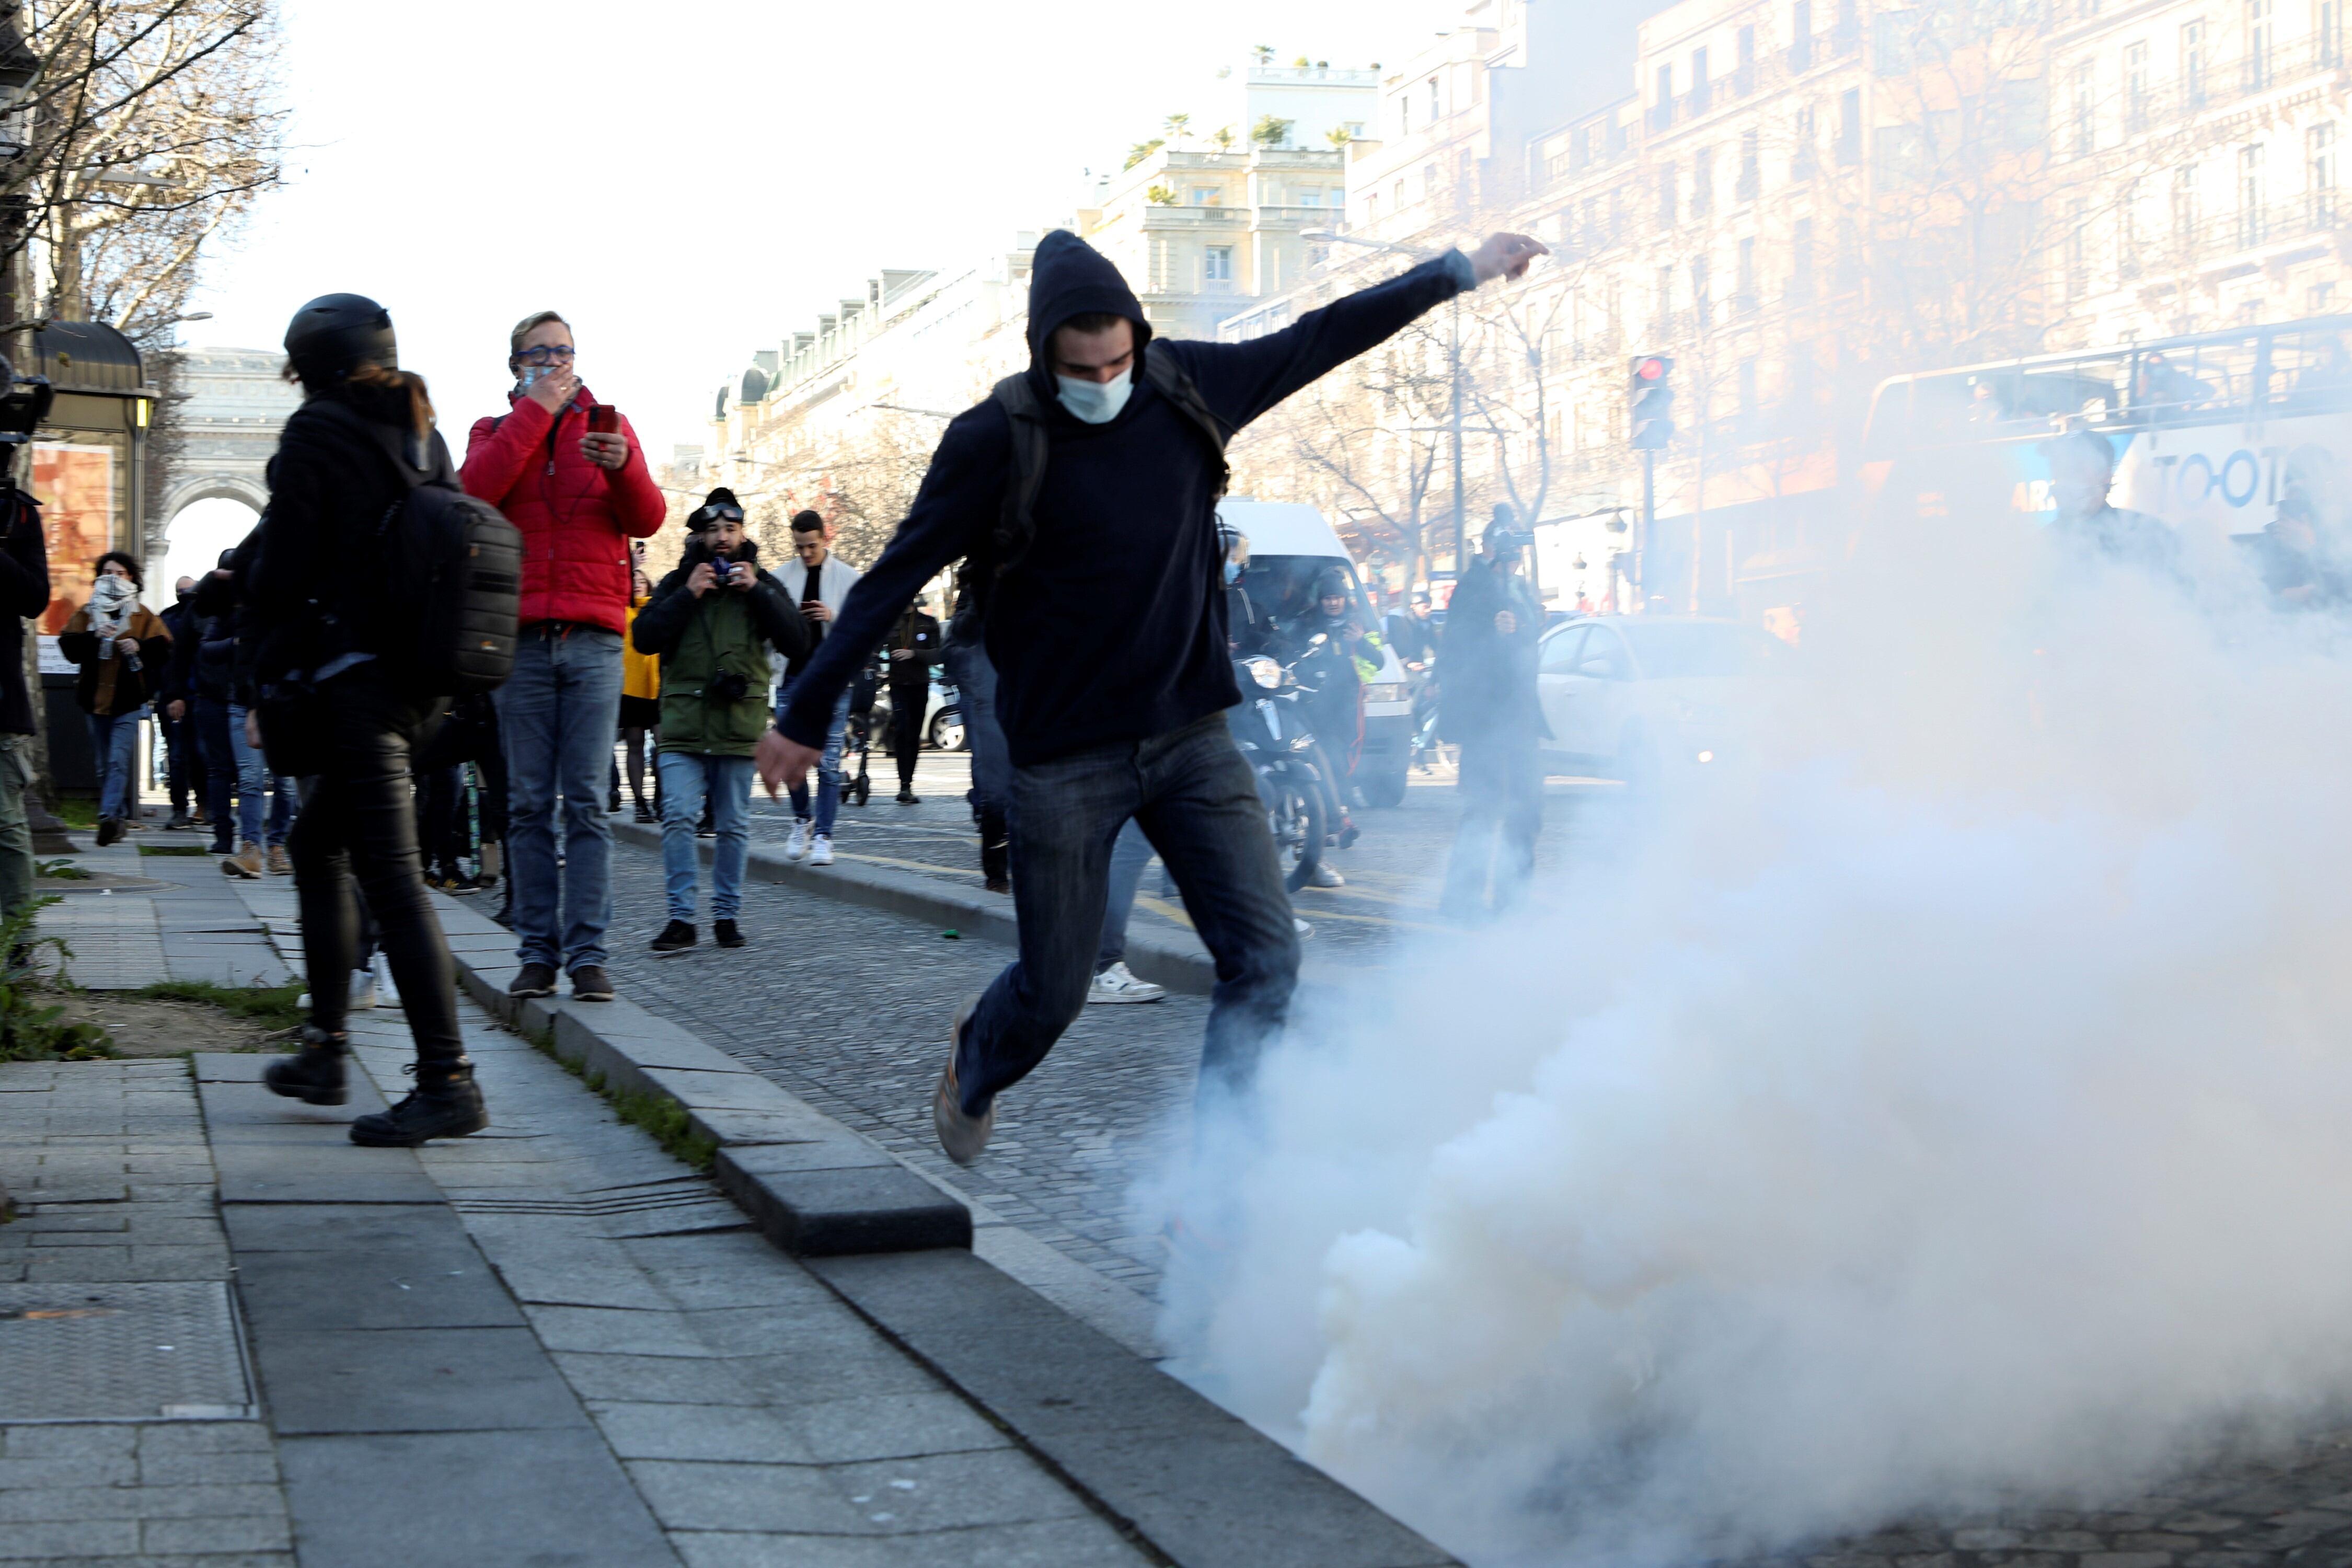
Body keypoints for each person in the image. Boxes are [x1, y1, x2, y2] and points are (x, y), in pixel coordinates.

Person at [759, 224, 1546, 1165]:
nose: (1103, 383)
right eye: (1080, 370)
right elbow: (891, 578)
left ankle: (1220, 1180)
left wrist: (1459, 272)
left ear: (1138, 338)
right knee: (1056, 992)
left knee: (1268, 959)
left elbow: (1326, 333)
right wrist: (805, 713)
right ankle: (979, 1057)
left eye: (1118, 361)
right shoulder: (992, 441)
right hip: (1065, 763)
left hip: (1193, 743)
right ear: (1044, 354)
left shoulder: (1187, 386)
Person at [249, 292, 486, 1145]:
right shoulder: (422, 431)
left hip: (359, 686)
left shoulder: (319, 431)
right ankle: (325, 1047)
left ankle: (447, 1081)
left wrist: (260, 649)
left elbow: (284, 572)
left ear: (310, 365)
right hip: (422, 686)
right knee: (319, 845)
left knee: (391, 877)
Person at [460, 309, 664, 1004]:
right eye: (537, 354)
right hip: (518, 641)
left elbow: (648, 518)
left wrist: (624, 466)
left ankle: (588, 955)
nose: (553, 362)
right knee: (523, 804)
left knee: (585, 802)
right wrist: (535, 417)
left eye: (563, 352)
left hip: (595, 638)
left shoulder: (608, 425)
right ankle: (537, 952)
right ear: (514, 365)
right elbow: (475, 495)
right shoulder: (494, 431)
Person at [632, 490, 809, 953]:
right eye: (713, 530)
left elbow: (799, 642)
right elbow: (644, 637)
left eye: (730, 529)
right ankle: (681, 920)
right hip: (682, 724)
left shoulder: (762, 582)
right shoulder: (676, 582)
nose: (722, 538)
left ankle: (726, 917)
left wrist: (760, 594)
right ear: (701, 536)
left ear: (742, 533)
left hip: (738, 725)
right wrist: (688, 595)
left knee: (733, 825)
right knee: (677, 817)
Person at [1438, 516, 1548, 922]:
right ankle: (1461, 901)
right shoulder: (1474, 588)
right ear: (1486, 547)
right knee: (1484, 810)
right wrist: (1493, 631)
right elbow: (1458, 647)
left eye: (1516, 550)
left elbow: (1525, 645)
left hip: (1519, 717)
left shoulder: (1518, 589)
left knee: (1527, 809)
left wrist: (1523, 629)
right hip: (1487, 719)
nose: (1513, 558)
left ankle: (1513, 898)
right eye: (1505, 548)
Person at [59, 551, 170, 847]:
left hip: (128, 702)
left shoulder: (142, 614)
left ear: (131, 577)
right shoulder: (86, 612)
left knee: (118, 761)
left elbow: (164, 649)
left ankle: (107, 817)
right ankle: (118, 816)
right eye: (106, 573)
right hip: (94, 700)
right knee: (103, 765)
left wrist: (139, 646)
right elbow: (68, 647)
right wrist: (94, 636)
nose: (112, 578)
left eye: (119, 573)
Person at [772, 509, 862, 865]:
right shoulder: (781, 578)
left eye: (811, 546)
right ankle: (801, 822)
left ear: (826, 538)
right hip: (791, 679)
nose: (806, 553)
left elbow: (863, 630)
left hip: (831, 682)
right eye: (799, 547)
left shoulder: (847, 578)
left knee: (827, 763)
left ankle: (824, 835)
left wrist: (832, 617)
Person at [939, 571, 1012, 894]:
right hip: (987, 699)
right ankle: (997, 873)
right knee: (993, 787)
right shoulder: (977, 586)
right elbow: (954, 645)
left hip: (1036, 698)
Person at [0, 466, 47, 926]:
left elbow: (37, 597)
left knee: (6, 825)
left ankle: (17, 945)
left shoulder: (18, 515)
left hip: (1, 700)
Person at [2044, 428, 2180, 574]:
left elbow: (2186, 591)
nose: (2066, 479)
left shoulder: (2149, 536)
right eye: (2060, 469)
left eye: (2076, 469)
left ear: (2105, 475)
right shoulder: (2039, 548)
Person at [883, 593, 943, 803]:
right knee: (902, 729)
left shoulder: (928, 623)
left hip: (920, 685)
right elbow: (876, 651)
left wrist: (914, 654)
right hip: (898, 684)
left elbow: (938, 654)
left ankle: (908, 784)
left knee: (914, 732)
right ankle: (903, 784)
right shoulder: (889, 621)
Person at [157, 577, 202, 830]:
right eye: (180, 591)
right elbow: (169, 663)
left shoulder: (204, 617)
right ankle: (181, 809)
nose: (184, 595)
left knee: (201, 755)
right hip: (177, 697)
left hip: (200, 697)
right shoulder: (168, 620)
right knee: (177, 756)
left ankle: (202, 806)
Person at [620, 545, 660, 823]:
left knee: (664, 743)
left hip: (657, 687)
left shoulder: (658, 609)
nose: (636, 585)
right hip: (630, 688)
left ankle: (662, 796)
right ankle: (639, 802)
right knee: (634, 745)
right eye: (632, 581)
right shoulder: (621, 609)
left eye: (641, 581)